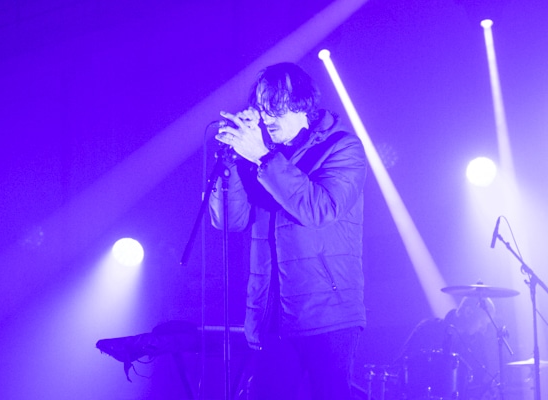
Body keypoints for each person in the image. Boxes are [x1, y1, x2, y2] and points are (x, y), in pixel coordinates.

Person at [208, 62, 368, 399]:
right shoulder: (259, 158)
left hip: (328, 316)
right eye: (262, 108)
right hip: (270, 317)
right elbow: (229, 221)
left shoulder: (343, 148)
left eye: (275, 107)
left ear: (303, 105)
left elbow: (320, 209)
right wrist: (233, 161)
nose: (266, 117)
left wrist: (262, 158)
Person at [394, 296, 499, 400]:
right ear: (468, 312)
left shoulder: (476, 345)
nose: (483, 329)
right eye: (482, 322)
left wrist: (485, 391)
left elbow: (477, 380)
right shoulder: (428, 329)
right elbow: (401, 365)